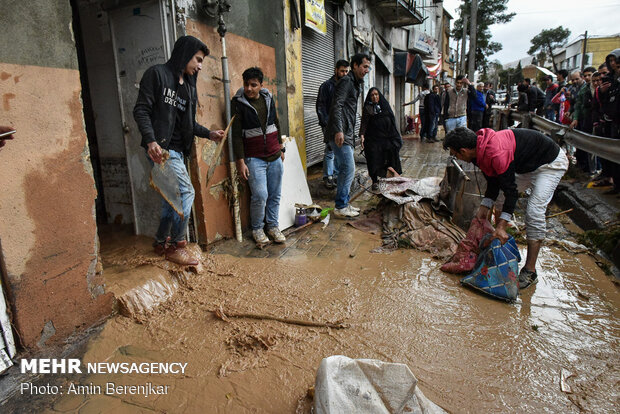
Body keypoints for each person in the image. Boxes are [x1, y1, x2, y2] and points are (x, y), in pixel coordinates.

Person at [134, 35, 224, 266]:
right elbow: (141, 110)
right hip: (161, 150)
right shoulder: (157, 74)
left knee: (170, 199)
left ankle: (159, 242)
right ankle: (176, 245)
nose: (200, 65)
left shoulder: (189, 89)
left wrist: (209, 134)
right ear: (185, 54)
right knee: (186, 193)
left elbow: (189, 125)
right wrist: (151, 140)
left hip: (178, 152)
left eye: (202, 61)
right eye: (197, 59)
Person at [443, 127, 568, 289]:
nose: (456, 158)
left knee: (534, 211)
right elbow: (494, 182)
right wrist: (484, 207)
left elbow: (512, 192)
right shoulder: (478, 152)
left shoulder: (496, 153)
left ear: (464, 151)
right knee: (500, 197)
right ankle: (500, 245)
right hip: (526, 165)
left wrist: (501, 225)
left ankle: (530, 271)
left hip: (550, 164)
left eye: (455, 154)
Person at [232, 67, 286, 244]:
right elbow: (236, 135)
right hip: (254, 158)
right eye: (246, 84)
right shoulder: (238, 103)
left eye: (253, 85)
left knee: (275, 194)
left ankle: (273, 226)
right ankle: (257, 229)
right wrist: (241, 161)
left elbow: (276, 122)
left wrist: (281, 148)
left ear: (261, 85)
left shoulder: (268, 98)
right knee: (260, 195)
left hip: (274, 155)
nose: (249, 88)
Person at [326, 53, 371, 218]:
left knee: (346, 169)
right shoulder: (347, 81)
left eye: (368, 67)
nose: (367, 70)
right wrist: (339, 130)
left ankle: (343, 203)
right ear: (355, 66)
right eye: (364, 66)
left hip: (347, 132)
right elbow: (336, 105)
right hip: (340, 133)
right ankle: (340, 206)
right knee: (349, 168)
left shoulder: (355, 83)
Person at [359, 87, 403, 191]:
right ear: (369, 97)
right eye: (372, 95)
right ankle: (375, 181)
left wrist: (396, 137)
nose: (374, 97)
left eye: (376, 94)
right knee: (373, 160)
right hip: (373, 139)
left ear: (379, 96)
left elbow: (392, 121)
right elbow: (364, 123)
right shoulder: (368, 108)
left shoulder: (385, 105)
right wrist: (362, 135)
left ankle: (391, 178)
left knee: (389, 158)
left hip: (387, 138)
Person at [316, 60, 349, 189]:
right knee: (330, 149)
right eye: (342, 71)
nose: (344, 74)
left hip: (341, 125)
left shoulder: (346, 85)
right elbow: (320, 106)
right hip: (329, 124)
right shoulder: (326, 86)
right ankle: (328, 177)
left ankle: (334, 175)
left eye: (346, 71)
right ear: (336, 70)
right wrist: (325, 123)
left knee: (338, 150)